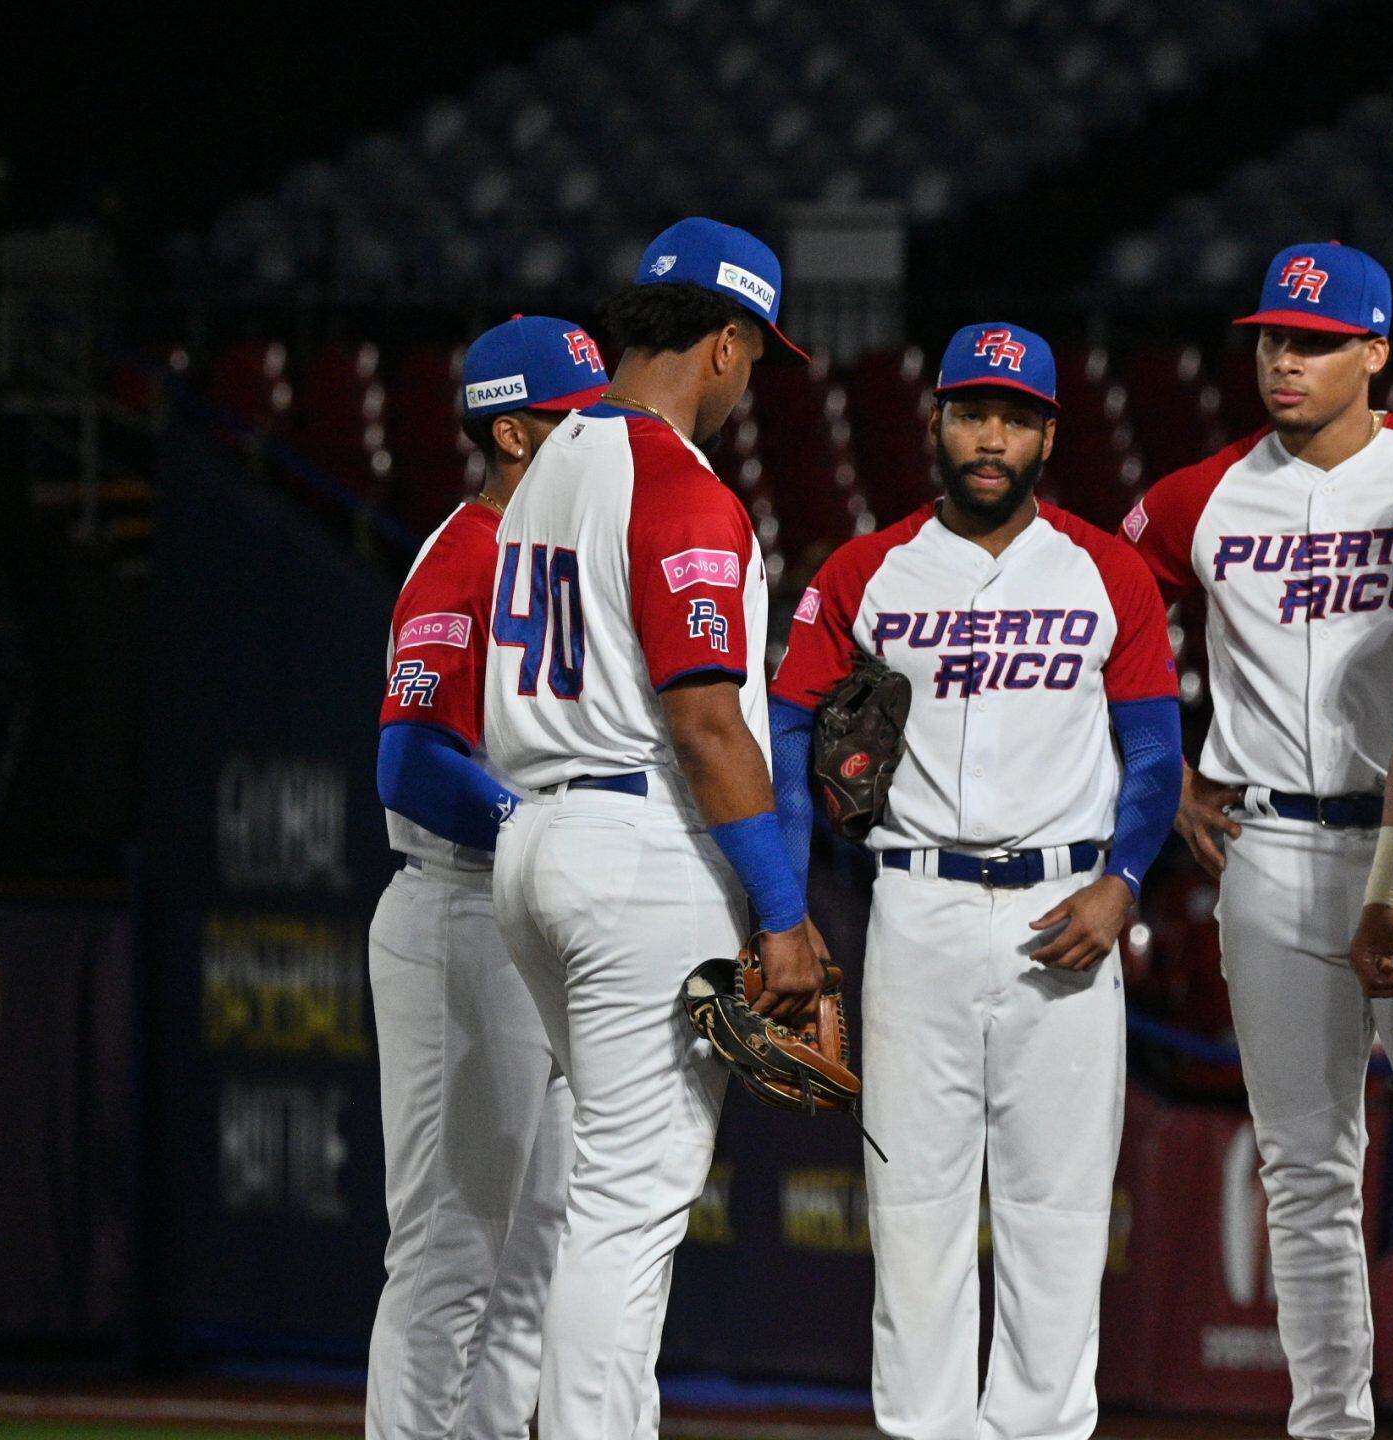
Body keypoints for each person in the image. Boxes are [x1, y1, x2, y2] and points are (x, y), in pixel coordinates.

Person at [1120, 241, 1393, 1440]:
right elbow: (1099, 615)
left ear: (1375, 351)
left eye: (1315, 342)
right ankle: (1328, 1425)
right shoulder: (1196, 497)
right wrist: (1165, 775)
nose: (1283, 362)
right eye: (1271, 341)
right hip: (1271, 845)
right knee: (1302, 1168)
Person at [770, 321, 1182, 1440]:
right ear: (938, 422)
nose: (991, 437)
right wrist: (785, 900)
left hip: (1066, 910)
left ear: (1049, 434)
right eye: (972, 413)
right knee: (914, 1212)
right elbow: (786, 726)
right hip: (918, 906)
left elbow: (1154, 750)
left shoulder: (1106, 570)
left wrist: (1125, 880)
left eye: (1014, 417)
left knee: (1058, 1216)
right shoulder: (865, 570)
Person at [483, 217, 829, 1438]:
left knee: (600, 1191)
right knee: (629, 1207)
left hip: (533, 837)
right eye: (756, 355)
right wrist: (781, 909)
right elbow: (706, 723)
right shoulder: (679, 486)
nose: (750, 380)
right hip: (634, 846)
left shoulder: (545, 468)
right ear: (725, 343)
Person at [368, 315, 606, 1439]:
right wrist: (536, 826)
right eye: (575, 420)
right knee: (450, 1253)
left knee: (531, 1263)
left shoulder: (561, 555)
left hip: (538, 921)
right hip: (461, 905)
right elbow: (410, 762)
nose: (597, 438)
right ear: (513, 433)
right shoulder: (467, 554)